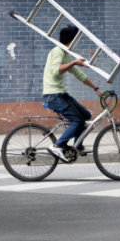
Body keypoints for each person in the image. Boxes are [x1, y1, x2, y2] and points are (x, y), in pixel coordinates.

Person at [43, 24, 103, 160]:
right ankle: (57, 146)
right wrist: (74, 62)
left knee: (86, 115)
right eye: (76, 40)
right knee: (78, 120)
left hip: (60, 94)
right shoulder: (57, 51)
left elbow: (77, 73)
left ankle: (78, 145)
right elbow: (56, 70)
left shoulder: (64, 53)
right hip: (53, 96)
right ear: (71, 40)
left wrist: (96, 89)